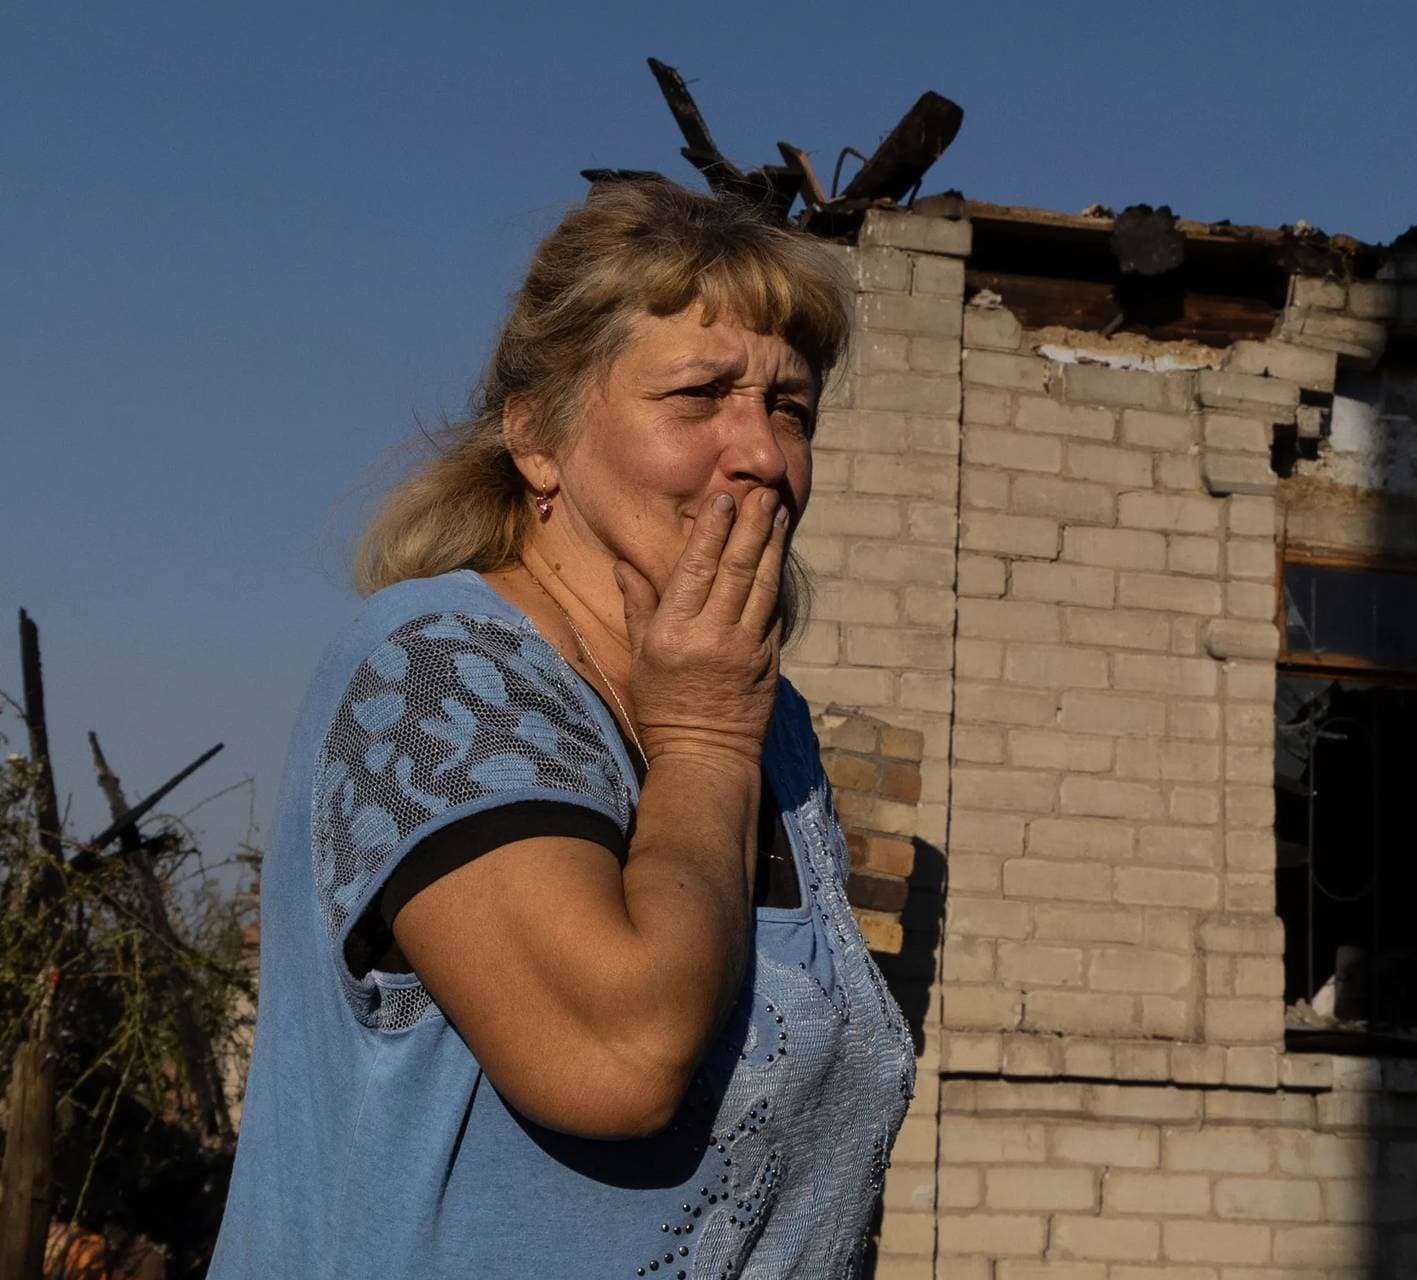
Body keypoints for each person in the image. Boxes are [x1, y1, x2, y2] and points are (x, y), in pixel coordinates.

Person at [210, 181, 915, 1278]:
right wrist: (703, 741)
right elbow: (615, 1054)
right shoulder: (437, 673)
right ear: (538, 436)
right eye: (699, 394)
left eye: (791, 408)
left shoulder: (771, 729)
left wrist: (722, 727)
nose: (765, 457)